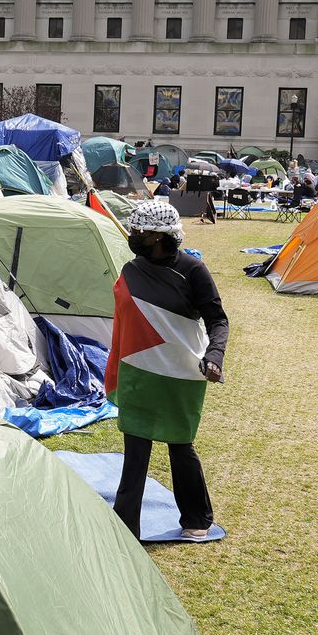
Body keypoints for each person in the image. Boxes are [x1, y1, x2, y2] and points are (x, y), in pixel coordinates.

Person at [104, 200, 228, 540]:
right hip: (139, 369)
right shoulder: (132, 270)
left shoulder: (192, 271)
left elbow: (217, 320)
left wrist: (214, 355)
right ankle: (126, 526)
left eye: (141, 231)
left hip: (181, 372)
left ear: (159, 237)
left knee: (180, 444)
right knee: (136, 447)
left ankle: (197, 519)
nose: (135, 235)